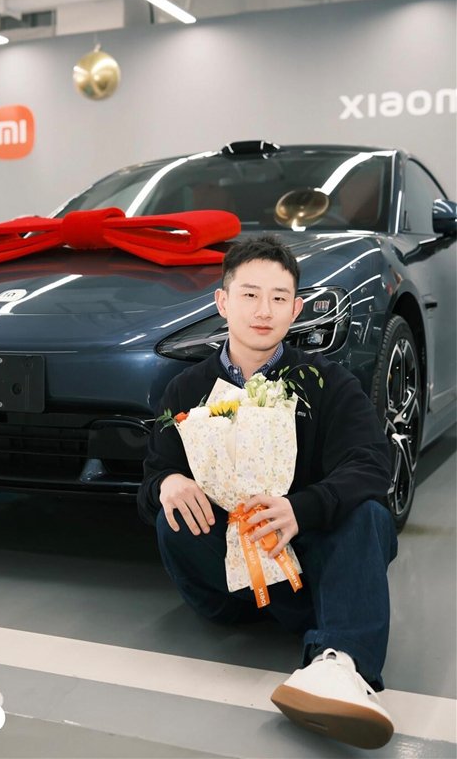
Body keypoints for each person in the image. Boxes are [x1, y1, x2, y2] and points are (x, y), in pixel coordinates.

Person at [138, 235, 398, 750]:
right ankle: (336, 617)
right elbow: (150, 481)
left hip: (305, 564)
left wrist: (300, 509)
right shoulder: (185, 390)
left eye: (279, 298)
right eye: (250, 295)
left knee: (367, 513)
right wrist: (167, 483)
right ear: (222, 302)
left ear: (296, 309)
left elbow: (372, 464)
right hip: (226, 582)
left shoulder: (328, 382)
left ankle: (340, 664)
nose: (264, 311)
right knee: (174, 517)